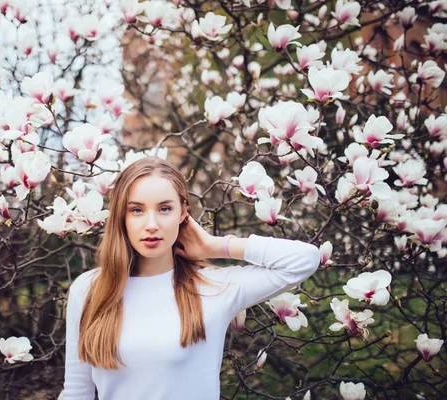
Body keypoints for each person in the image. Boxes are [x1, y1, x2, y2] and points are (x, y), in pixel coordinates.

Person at [63, 156, 320, 400]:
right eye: (137, 210)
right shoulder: (88, 290)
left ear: (183, 213)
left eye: (164, 208)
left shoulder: (212, 288)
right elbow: (77, 391)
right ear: (122, 216)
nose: (151, 223)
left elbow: (304, 260)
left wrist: (215, 246)